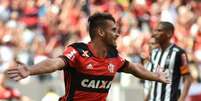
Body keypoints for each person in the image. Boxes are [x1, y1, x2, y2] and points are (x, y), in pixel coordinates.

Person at [5, 12, 169, 101]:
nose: (117, 34)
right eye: (113, 30)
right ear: (100, 32)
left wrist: (155, 76)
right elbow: (54, 63)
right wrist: (30, 70)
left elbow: (134, 68)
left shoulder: (114, 57)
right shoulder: (78, 51)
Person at [144, 21, 192, 101]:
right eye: (155, 30)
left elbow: (188, 78)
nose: (155, 33)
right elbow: (153, 79)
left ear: (169, 33)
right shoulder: (154, 53)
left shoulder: (180, 53)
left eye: (159, 31)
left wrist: (181, 99)